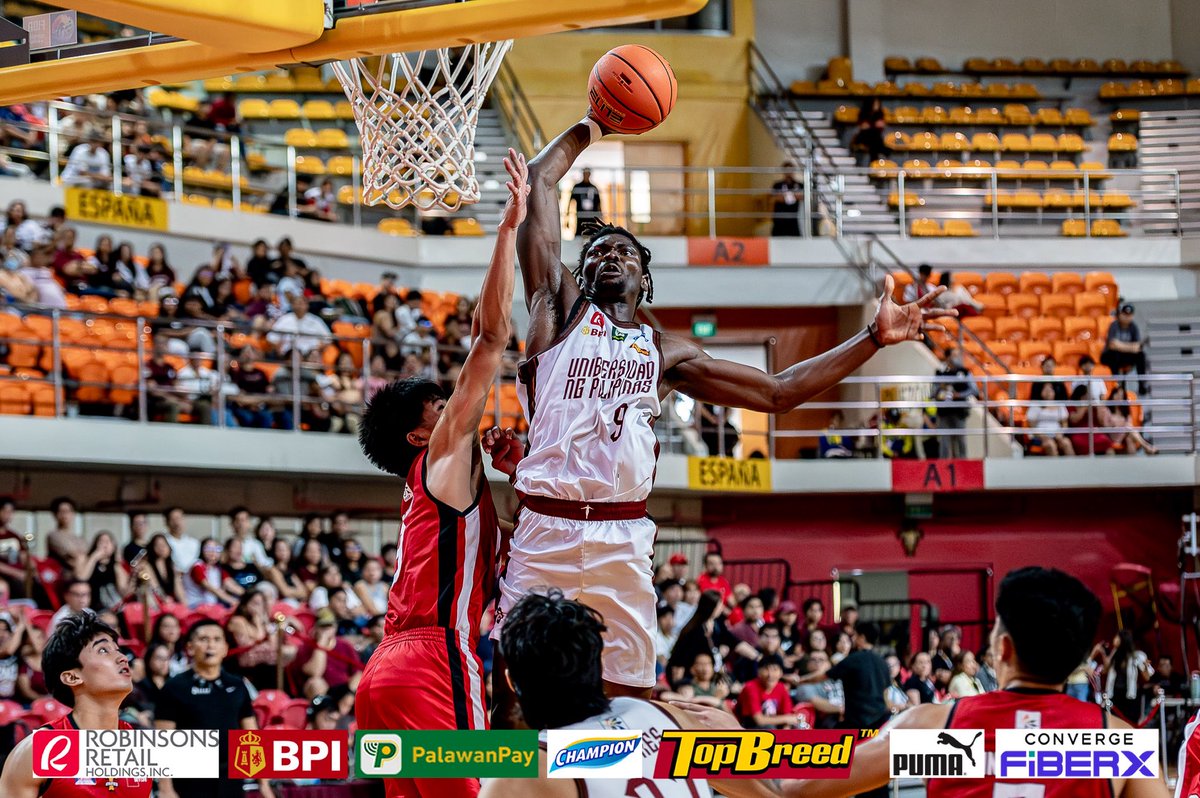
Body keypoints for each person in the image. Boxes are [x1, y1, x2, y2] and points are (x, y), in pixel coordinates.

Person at [487, 112, 952, 718]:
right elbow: (544, 180)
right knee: (515, 700)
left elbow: (779, 391)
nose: (607, 256)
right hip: (544, 529)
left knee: (628, 706)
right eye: (596, 249)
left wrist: (871, 337)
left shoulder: (665, 353)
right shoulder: (556, 306)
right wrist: (595, 122)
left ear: (643, 277)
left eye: (623, 251)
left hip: (622, 539)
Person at [353, 150, 528, 798]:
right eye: (440, 405)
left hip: (384, 672)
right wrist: (508, 226)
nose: (456, 407)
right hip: (434, 658)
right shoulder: (440, 456)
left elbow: (493, 542)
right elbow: (489, 339)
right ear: (421, 434)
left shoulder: (435, 492)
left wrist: (513, 477)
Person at [777, 567, 1169, 798]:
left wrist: (726, 744)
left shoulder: (939, 731)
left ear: (1003, 648)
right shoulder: (1119, 744)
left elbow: (795, 789)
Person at [479, 590, 793, 798]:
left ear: (510, 680)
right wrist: (742, 738)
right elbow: (792, 781)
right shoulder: (661, 716)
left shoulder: (531, 771)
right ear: (598, 665)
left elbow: (443, 753)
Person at [0, 611, 150, 798]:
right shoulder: (40, 751)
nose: (123, 657)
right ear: (72, 676)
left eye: (117, 649)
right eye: (103, 650)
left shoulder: (142, 746)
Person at [156, 619, 272, 798]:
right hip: (189, 778)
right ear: (190, 648)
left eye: (217, 639)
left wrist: (263, 784)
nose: (211, 645)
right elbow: (163, 741)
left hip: (230, 777)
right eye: (203, 639)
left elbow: (250, 735)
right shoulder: (174, 687)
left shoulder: (237, 685)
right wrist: (166, 789)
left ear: (225, 648)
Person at [936, 346, 976, 459]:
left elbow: (974, 389)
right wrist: (941, 392)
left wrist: (959, 395)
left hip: (959, 411)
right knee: (944, 442)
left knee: (961, 441)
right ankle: (943, 466)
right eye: (954, 355)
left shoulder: (965, 372)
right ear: (948, 357)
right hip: (944, 412)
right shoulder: (940, 373)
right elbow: (934, 391)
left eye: (958, 355)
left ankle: (963, 465)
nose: (957, 358)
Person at [1102, 303, 1148, 394]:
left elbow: (1138, 347)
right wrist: (1130, 347)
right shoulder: (1114, 325)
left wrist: (1120, 345)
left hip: (1124, 355)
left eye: (1129, 315)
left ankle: (1142, 383)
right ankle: (1117, 384)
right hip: (1111, 356)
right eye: (1125, 315)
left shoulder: (1133, 327)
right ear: (1120, 315)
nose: (1127, 317)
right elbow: (1112, 345)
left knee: (1141, 355)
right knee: (1114, 355)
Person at [769, 162, 803, 237]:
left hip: (794, 219)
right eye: (786, 170)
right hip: (779, 219)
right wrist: (793, 196)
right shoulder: (777, 185)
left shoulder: (800, 185)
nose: (789, 173)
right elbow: (775, 199)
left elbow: (802, 197)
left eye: (790, 170)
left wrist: (785, 197)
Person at [568, 167, 602, 233]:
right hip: (581, 217)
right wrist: (567, 216)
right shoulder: (577, 187)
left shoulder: (594, 188)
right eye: (585, 174)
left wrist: (600, 216)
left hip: (592, 217)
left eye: (587, 174)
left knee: (592, 233)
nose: (586, 175)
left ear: (589, 174)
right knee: (580, 233)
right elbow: (571, 201)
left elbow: (599, 203)